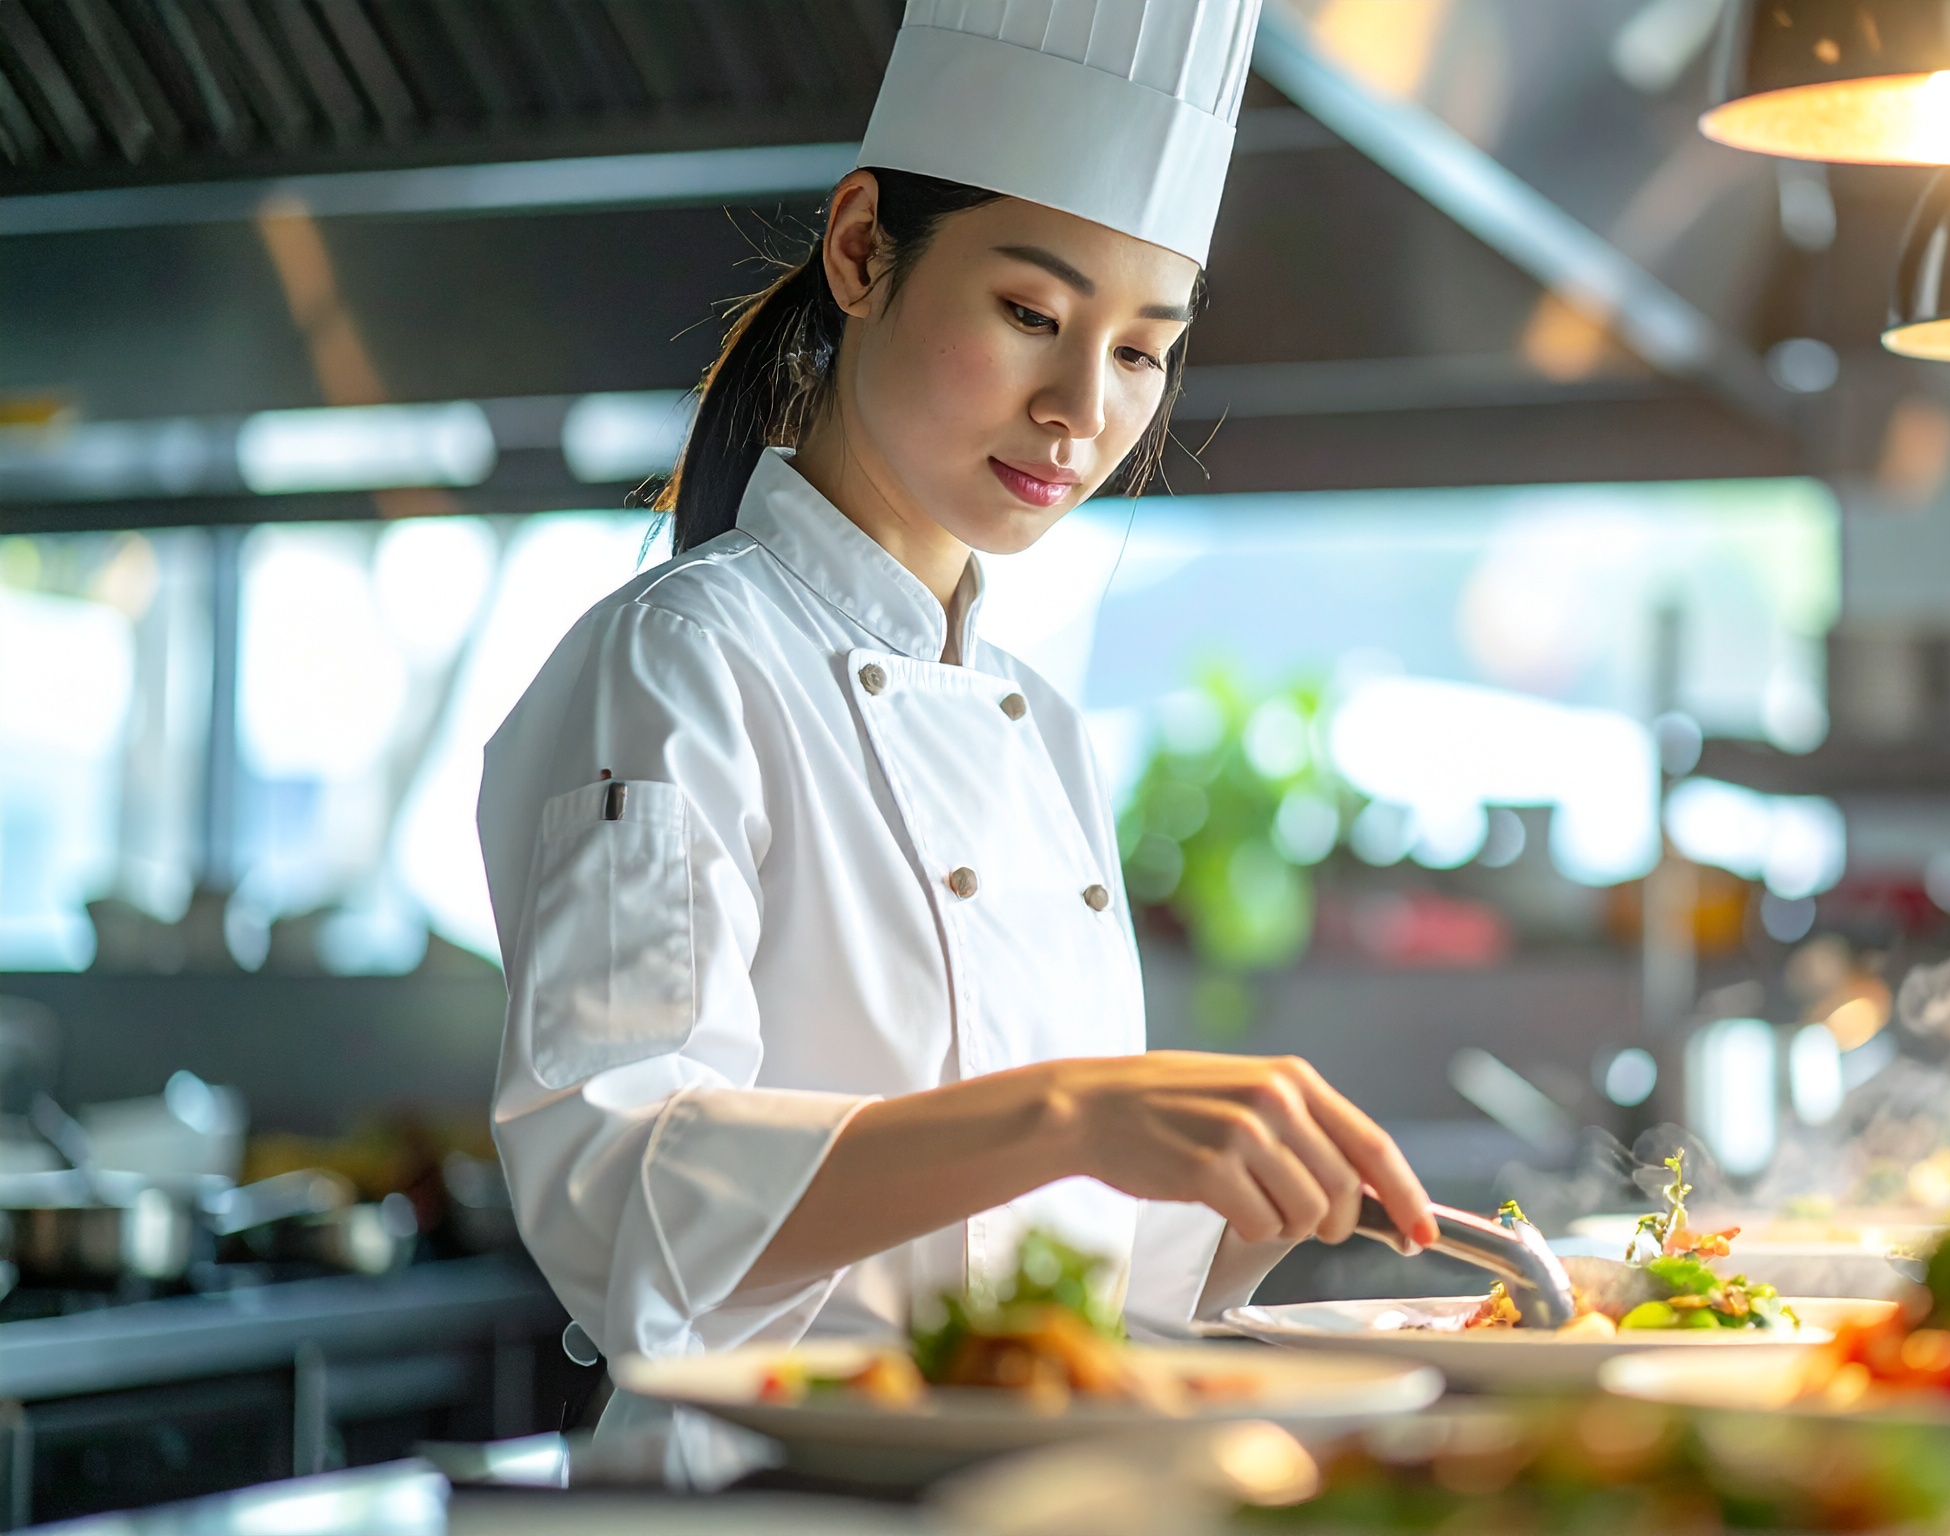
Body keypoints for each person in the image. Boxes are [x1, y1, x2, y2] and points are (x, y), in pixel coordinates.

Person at [477, 0, 1437, 1423]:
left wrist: (1254, 1196)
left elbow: (1076, 1273)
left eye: (1140, 350)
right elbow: (615, 1185)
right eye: (1034, 315)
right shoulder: (683, 657)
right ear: (862, 250)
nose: (1078, 409)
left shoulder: (1040, 726)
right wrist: (1074, 1110)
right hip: (755, 1505)